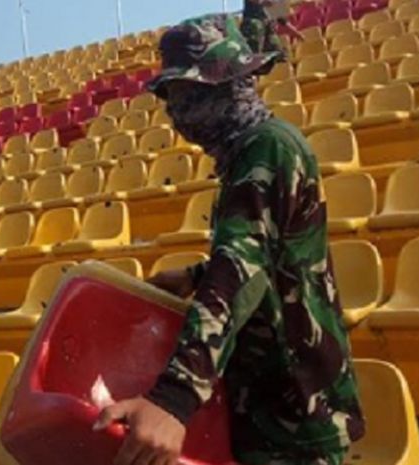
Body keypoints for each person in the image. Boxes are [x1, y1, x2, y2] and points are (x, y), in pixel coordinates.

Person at [94, 14, 365, 465]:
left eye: (186, 96)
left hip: (297, 407)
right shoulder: (246, 156)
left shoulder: (269, 148)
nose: (176, 114)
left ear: (227, 85)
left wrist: (174, 399)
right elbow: (268, 255)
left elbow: (241, 264)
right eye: (171, 100)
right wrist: (194, 275)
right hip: (263, 402)